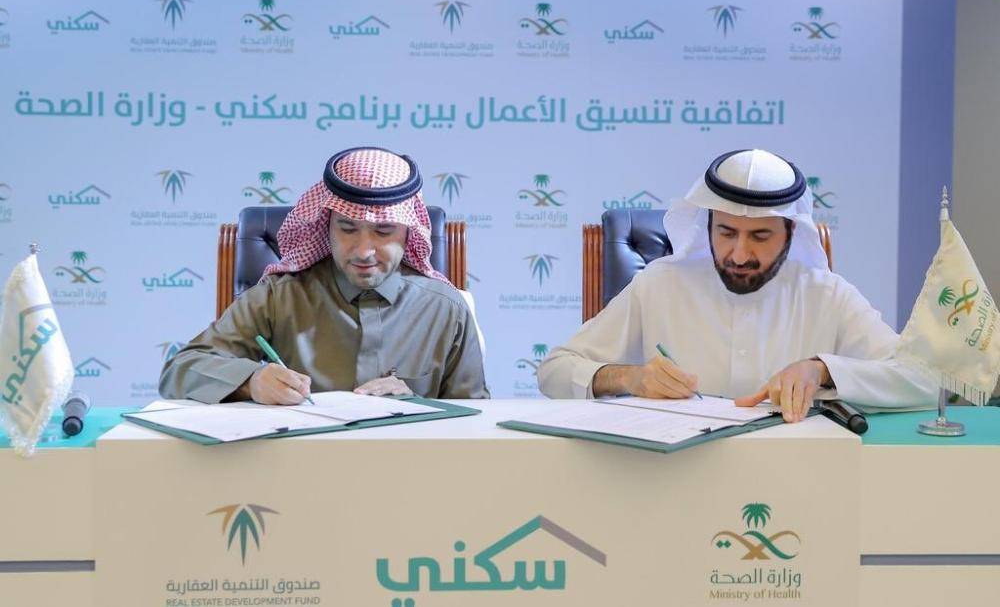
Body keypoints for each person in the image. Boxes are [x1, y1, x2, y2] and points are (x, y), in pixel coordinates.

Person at [538, 148, 936, 421]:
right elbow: (555, 370)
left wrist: (822, 372)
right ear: (707, 225)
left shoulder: (827, 295)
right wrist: (628, 377)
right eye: (726, 233)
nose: (740, 254)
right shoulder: (659, 285)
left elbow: (927, 381)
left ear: (791, 234)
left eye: (760, 237)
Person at [160, 146, 488, 404]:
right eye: (347, 228)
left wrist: (417, 404)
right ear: (326, 225)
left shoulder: (446, 309)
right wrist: (251, 382)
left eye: (383, 231)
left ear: (408, 231)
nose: (364, 251)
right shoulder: (280, 296)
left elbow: (476, 418)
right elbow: (180, 370)